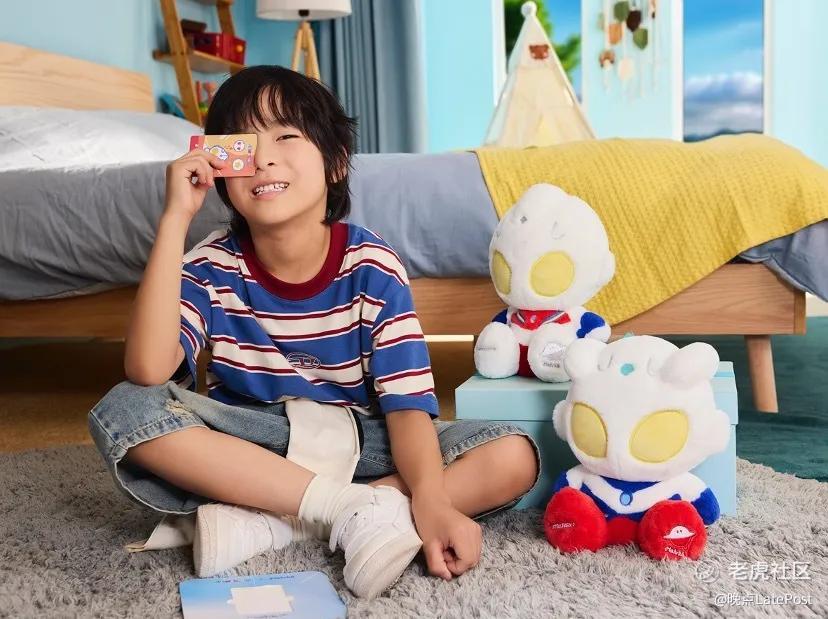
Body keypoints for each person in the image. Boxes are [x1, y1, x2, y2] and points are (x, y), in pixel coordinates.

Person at [88, 66, 539, 599]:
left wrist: (433, 499)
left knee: (514, 453)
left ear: (336, 162)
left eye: (286, 136)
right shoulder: (209, 265)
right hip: (252, 449)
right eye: (245, 144)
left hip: (361, 442)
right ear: (222, 167)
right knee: (125, 410)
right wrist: (174, 219)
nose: (265, 157)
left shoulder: (372, 264)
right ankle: (349, 510)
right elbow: (147, 369)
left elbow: (406, 408)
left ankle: (285, 523)